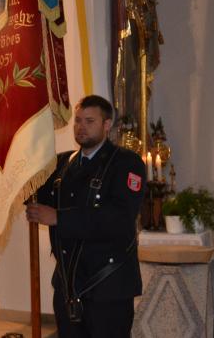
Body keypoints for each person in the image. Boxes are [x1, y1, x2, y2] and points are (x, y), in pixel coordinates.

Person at [26, 95, 146, 338]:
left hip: (108, 287)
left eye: (90, 121)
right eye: (78, 120)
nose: (81, 126)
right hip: (68, 284)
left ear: (106, 125)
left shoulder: (126, 163)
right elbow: (30, 193)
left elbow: (119, 220)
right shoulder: (62, 163)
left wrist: (59, 218)